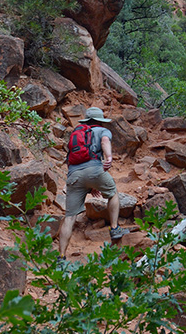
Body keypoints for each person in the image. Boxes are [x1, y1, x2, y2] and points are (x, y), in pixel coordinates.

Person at [58, 107, 129, 258]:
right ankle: (115, 228)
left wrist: (88, 187)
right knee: (112, 193)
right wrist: (108, 157)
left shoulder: (77, 132)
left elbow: (70, 158)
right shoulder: (102, 131)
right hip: (95, 170)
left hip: (74, 175)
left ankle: (61, 256)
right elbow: (104, 141)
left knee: (69, 217)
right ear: (99, 121)